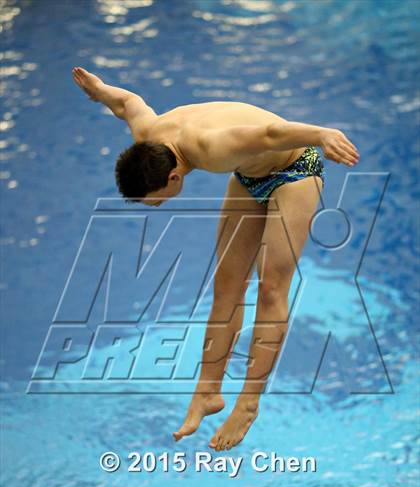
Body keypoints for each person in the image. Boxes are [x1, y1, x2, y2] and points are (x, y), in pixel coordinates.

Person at [72, 67, 359, 451]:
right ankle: (208, 392)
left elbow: (271, 134)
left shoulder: (211, 148)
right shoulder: (148, 137)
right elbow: (129, 103)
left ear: (174, 177)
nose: (151, 205)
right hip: (251, 174)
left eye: (153, 198)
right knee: (226, 284)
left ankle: (248, 404)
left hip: (294, 172)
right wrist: (101, 91)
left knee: (271, 288)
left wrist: (322, 134)